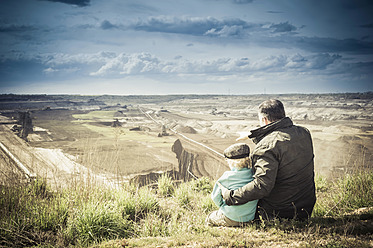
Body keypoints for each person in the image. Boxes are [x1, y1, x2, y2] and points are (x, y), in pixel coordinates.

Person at [219, 99, 316, 220]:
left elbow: (262, 186)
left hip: (279, 212)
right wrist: (254, 135)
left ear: (264, 120)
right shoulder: (304, 132)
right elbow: (278, 142)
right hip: (305, 209)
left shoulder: (266, 147)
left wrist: (231, 196)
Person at [205, 143, 258, 227]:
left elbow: (215, 197)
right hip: (249, 218)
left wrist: (223, 207)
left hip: (230, 217)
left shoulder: (227, 177)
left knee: (210, 217)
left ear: (231, 162)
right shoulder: (254, 174)